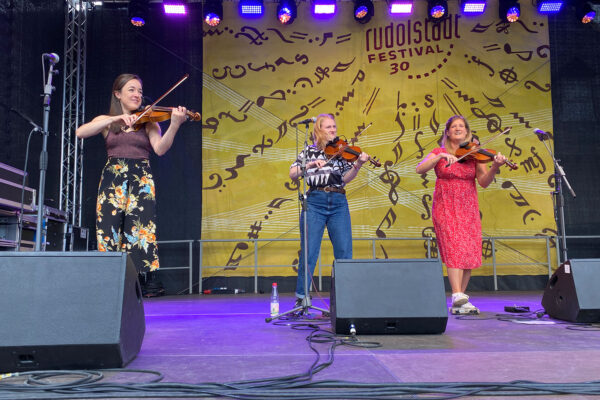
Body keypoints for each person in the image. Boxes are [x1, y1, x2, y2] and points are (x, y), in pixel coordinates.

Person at [76, 73, 187, 297]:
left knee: (141, 230)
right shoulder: (106, 120)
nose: (137, 95)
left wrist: (174, 125)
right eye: (131, 90)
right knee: (108, 228)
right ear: (118, 94)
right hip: (113, 178)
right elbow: (80, 132)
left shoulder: (149, 122)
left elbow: (160, 149)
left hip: (141, 178)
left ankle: (143, 282)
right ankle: (110, 281)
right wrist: (113, 120)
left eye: (139, 90)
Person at [415, 115, 507, 311]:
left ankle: (460, 300)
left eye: (462, 126)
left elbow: (483, 182)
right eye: (454, 126)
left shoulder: (474, 154)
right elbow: (419, 169)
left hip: (468, 206)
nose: (458, 128)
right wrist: (439, 157)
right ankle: (456, 293)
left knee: (467, 251)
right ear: (447, 132)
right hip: (446, 204)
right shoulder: (438, 151)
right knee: (453, 246)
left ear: (467, 131)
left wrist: (495, 167)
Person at [289, 113, 370, 309]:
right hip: (315, 202)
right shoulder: (307, 151)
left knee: (344, 251)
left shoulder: (341, 152)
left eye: (334, 127)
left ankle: (344, 300)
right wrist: (308, 164)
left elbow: (345, 178)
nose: (333, 130)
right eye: (328, 127)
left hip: (338, 201)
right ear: (318, 129)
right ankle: (302, 299)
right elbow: (293, 174)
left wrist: (358, 164)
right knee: (309, 252)